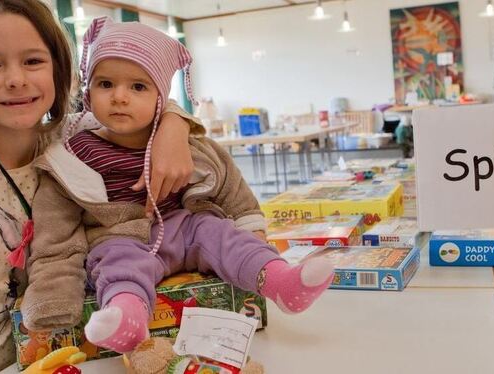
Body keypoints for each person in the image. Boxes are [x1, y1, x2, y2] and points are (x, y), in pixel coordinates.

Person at [0, 0, 199, 372]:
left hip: (63, 357)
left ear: (60, 68)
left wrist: (174, 125)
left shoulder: (72, 136)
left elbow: (149, 102)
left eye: (32, 61)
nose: (16, 79)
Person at [20, 17, 334, 354]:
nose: (120, 97)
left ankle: (281, 282)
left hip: (186, 228)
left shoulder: (185, 144)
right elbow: (56, 228)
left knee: (221, 233)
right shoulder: (74, 152)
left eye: (138, 87)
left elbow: (232, 187)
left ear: (161, 97)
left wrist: (252, 233)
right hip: (121, 237)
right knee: (116, 263)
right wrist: (53, 293)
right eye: (106, 84)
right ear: (88, 90)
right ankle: (127, 318)